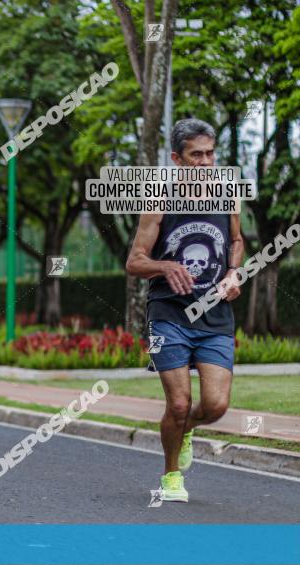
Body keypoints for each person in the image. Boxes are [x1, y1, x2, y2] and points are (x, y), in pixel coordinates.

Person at [126, 118, 243, 503]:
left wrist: (233, 272)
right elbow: (135, 261)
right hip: (170, 313)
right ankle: (171, 476)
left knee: (216, 405)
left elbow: (237, 241)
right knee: (178, 403)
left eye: (210, 153)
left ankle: (187, 428)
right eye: (196, 154)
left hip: (215, 315)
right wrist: (166, 266)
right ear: (177, 158)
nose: (206, 162)